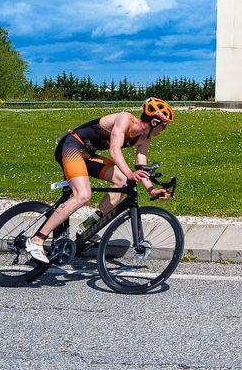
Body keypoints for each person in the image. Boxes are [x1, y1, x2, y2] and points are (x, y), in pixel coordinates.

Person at [25, 98, 176, 263]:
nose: (165, 129)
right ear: (154, 122)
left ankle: (88, 227)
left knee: (123, 182)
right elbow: (114, 149)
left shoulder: (144, 139)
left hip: (87, 153)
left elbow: (141, 167)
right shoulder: (125, 119)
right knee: (83, 195)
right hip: (72, 146)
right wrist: (128, 172)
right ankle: (36, 240)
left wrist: (151, 189)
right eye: (164, 125)